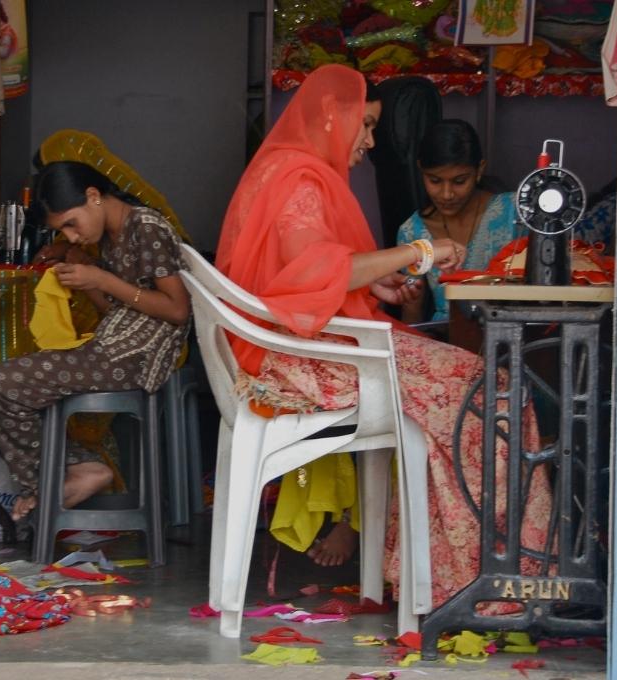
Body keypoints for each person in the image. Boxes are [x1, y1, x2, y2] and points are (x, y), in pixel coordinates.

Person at [216, 64, 551, 608]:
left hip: (302, 352)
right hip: (302, 364)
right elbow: (311, 272)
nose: (370, 143)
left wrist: (379, 281)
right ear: (333, 118)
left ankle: (456, 571)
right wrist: (418, 254)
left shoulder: (282, 171)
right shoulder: (298, 177)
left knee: (478, 384)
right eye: (365, 126)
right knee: (489, 388)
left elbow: (316, 270)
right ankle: (483, 577)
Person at [0, 161, 191, 521]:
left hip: (137, 356)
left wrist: (101, 278)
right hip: (111, 346)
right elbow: (117, 310)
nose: (69, 235)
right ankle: (80, 467)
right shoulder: (110, 237)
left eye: (70, 223)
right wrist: (87, 280)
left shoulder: (145, 227)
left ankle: (50, 483)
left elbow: (178, 309)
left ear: (93, 196)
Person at [396, 119, 520, 323]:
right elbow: (412, 310)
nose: (446, 194)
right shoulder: (411, 232)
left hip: (508, 337)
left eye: (459, 181)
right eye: (434, 180)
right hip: (446, 341)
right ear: (420, 170)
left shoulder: (514, 213)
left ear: (479, 170)